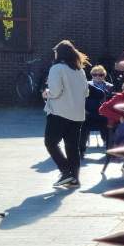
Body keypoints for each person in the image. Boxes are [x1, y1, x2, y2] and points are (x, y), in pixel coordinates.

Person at [41, 40, 89, 189]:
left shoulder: (56, 68)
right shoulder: (79, 70)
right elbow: (86, 92)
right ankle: (74, 179)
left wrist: (46, 93)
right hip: (77, 115)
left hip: (59, 113)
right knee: (72, 147)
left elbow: (55, 92)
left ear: (59, 53)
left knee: (51, 142)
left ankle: (65, 172)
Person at [83, 65, 112, 161]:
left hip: (103, 113)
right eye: (95, 74)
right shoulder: (86, 85)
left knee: (108, 123)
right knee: (82, 124)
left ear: (104, 75)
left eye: (101, 75)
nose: (98, 77)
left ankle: (108, 147)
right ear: (91, 75)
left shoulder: (110, 86)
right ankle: (81, 149)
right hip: (89, 112)